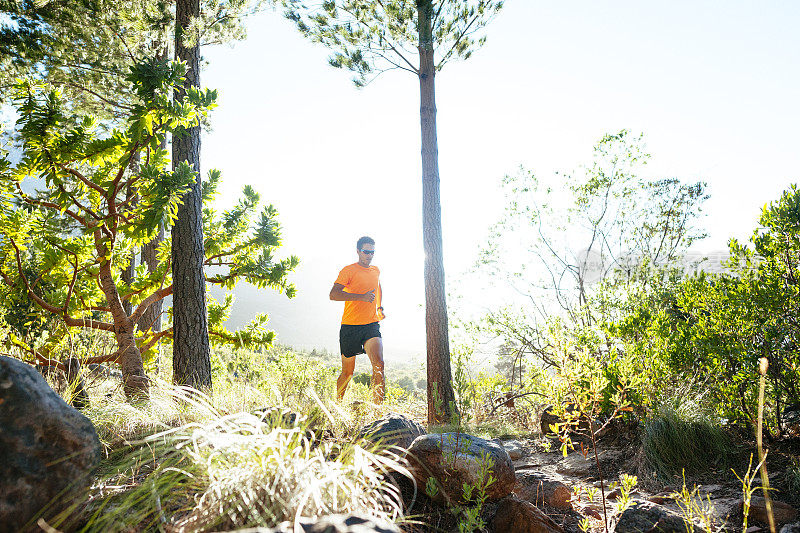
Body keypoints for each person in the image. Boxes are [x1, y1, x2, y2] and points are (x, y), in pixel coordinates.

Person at [329, 236, 385, 403]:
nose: (369, 255)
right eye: (366, 251)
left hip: (371, 325)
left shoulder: (375, 270)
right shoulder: (348, 270)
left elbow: (377, 286)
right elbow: (333, 294)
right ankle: (337, 405)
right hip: (350, 327)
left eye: (372, 252)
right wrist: (361, 297)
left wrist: (379, 307)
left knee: (379, 365)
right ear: (358, 251)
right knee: (348, 373)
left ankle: (379, 413)